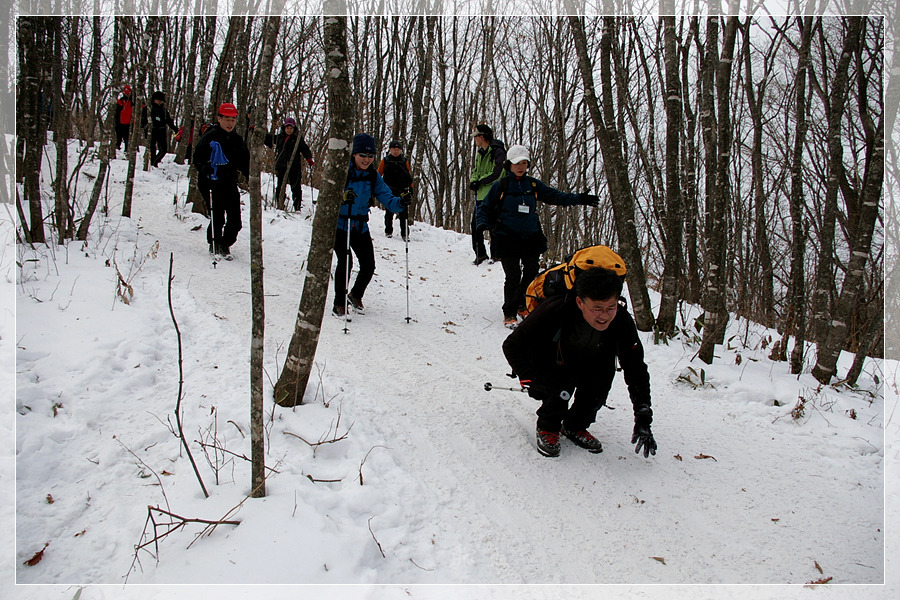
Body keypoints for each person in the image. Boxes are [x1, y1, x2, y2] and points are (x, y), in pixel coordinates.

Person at [502, 266, 656, 459]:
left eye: (611, 307)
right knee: (558, 387)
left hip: (595, 361)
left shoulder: (622, 321)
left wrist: (643, 415)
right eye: (597, 308)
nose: (604, 315)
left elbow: (636, 368)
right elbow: (512, 344)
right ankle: (548, 426)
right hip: (554, 359)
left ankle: (575, 426)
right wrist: (528, 376)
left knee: (598, 388)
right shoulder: (555, 309)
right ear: (580, 302)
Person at [476, 144, 599, 328]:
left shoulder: (533, 185)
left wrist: (580, 199)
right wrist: (482, 224)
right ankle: (509, 312)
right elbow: (484, 207)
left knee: (531, 272)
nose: (520, 167)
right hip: (506, 237)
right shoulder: (500, 185)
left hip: (530, 237)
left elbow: (556, 196)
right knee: (513, 275)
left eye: (524, 163)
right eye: (517, 163)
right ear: (509, 164)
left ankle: (522, 305)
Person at [333, 133, 411, 317]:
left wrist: (400, 203)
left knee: (368, 265)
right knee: (346, 262)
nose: (367, 160)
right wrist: (343, 198)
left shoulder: (373, 176)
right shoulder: (343, 172)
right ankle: (339, 303)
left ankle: (355, 295)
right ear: (354, 154)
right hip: (341, 225)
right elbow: (327, 200)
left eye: (370, 156)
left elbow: (387, 198)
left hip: (360, 225)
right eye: (363, 155)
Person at [193, 102, 250, 260]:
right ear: (219, 119)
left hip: (229, 181)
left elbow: (245, 161)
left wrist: (250, 176)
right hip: (210, 181)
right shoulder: (210, 136)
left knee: (235, 220)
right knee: (217, 216)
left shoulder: (237, 140)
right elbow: (197, 158)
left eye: (233, 120)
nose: (230, 123)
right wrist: (205, 168)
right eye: (227, 119)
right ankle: (215, 245)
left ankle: (226, 243)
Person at [469, 124, 506, 265]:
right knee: (476, 225)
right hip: (480, 195)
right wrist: (473, 181)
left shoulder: (498, 151)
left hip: (494, 194)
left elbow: (498, 172)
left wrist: (480, 181)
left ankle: (497, 255)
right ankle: (480, 254)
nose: (475, 140)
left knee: (494, 225)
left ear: (482, 137)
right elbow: (475, 170)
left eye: (476, 137)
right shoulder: (480, 153)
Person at [264, 117, 314, 210]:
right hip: (281, 166)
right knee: (280, 187)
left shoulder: (298, 139)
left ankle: (297, 207)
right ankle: (280, 205)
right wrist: (257, 131)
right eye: (287, 128)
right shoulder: (280, 137)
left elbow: (305, 149)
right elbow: (269, 139)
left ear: (294, 129)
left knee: (295, 187)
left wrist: (309, 158)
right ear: (284, 128)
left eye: (291, 128)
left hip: (294, 167)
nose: (289, 130)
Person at [377, 140, 414, 240]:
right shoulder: (385, 160)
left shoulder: (404, 161)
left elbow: (408, 175)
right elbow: (378, 174)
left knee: (404, 213)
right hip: (389, 189)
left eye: (398, 149)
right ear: (390, 150)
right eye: (394, 149)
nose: (396, 151)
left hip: (402, 189)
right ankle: (388, 230)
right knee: (389, 212)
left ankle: (405, 234)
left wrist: (410, 187)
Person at [143, 91, 178, 167]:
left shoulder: (164, 110)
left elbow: (168, 120)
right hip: (152, 130)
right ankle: (152, 163)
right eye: (159, 100)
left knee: (163, 150)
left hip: (162, 131)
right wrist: (145, 127)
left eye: (161, 101)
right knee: (152, 148)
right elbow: (143, 120)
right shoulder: (149, 109)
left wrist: (175, 129)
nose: (160, 102)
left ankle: (155, 161)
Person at [114, 85, 134, 151]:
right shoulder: (121, 101)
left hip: (129, 122)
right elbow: (117, 112)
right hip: (121, 122)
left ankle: (127, 149)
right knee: (119, 137)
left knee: (127, 138)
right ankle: (117, 148)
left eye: (128, 93)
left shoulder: (133, 101)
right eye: (125, 93)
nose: (127, 95)